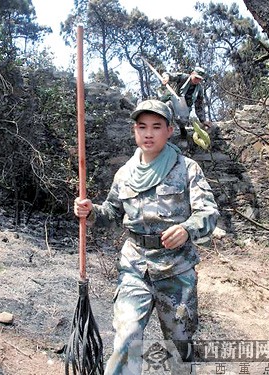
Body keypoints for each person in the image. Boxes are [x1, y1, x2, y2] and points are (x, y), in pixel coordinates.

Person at [73, 99, 220, 374]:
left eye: (156, 126)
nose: (148, 133)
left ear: (170, 130)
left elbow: (209, 213)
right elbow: (112, 214)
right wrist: (90, 212)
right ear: (134, 131)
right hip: (135, 268)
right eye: (142, 127)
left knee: (179, 349)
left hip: (176, 272)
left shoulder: (187, 169)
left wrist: (187, 229)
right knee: (126, 340)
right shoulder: (125, 174)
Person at [161, 66, 208, 139]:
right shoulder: (183, 77)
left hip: (185, 108)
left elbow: (199, 105)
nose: (197, 80)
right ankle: (165, 130)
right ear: (192, 74)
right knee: (167, 107)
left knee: (183, 120)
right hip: (174, 101)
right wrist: (166, 77)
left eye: (199, 79)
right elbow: (168, 74)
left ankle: (182, 129)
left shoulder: (199, 89)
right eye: (196, 77)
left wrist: (203, 120)